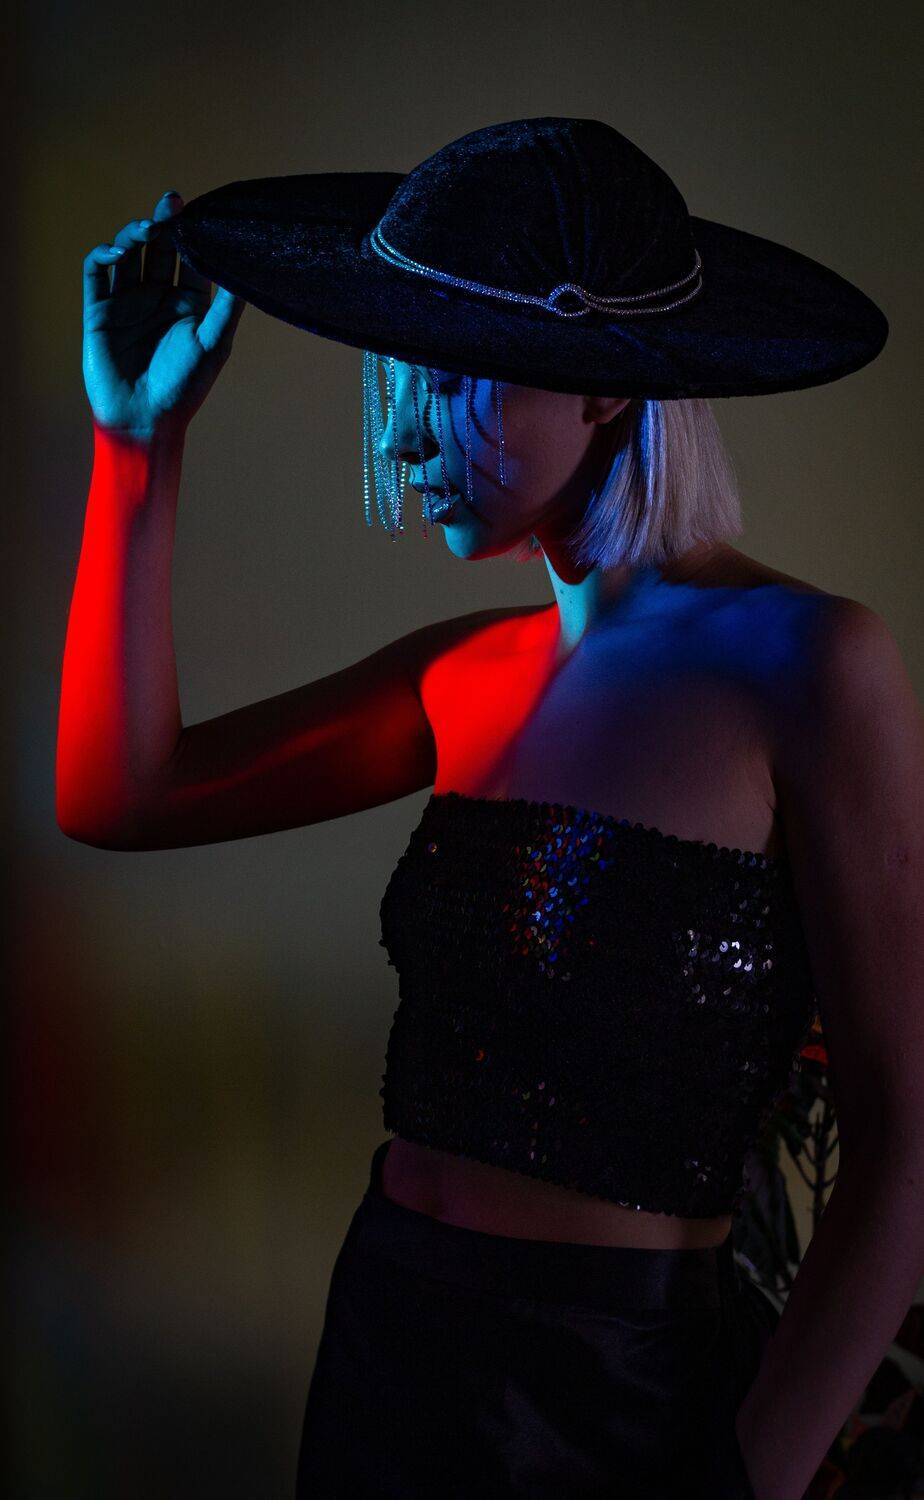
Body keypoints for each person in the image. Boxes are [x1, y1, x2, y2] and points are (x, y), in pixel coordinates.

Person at [60, 119, 922, 1499]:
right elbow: (120, 792)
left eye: (451, 373)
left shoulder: (813, 667)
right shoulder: (464, 676)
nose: (403, 434)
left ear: (605, 388)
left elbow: (905, 1145)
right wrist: (135, 448)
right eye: (398, 374)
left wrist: (747, 1480)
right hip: (390, 1352)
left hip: (628, 1396)